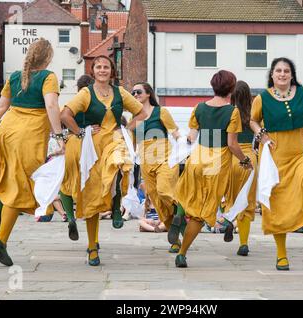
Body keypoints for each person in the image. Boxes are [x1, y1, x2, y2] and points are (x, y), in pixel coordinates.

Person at [0, 38, 65, 266]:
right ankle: (0, 238)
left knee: (11, 180)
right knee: (20, 187)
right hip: (28, 136)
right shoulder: (49, 77)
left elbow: (1, 106)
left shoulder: (15, 77)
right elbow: (51, 106)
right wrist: (59, 137)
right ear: (48, 57)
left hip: (7, 131)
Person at [60, 55, 146, 266]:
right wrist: (80, 131)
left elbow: (141, 112)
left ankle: (117, 206)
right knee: (91, 195)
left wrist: (127, 128)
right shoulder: (85, 93)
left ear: (112, 71)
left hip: (115, 140)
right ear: (93, 71)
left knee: (121, 163)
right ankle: (92, 247)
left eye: (106, 66)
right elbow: (65, 114)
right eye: (98, 67)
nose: (102, 70)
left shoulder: (120, 92)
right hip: (92, 145)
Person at [250, 57, 303, 271]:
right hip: (276, 156)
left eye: (286, 71)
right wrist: (261, 135)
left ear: (291, 74)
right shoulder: (262, 98)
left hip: (301, 152)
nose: (282, 74)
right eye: (278, 71)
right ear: (272, 75)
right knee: (278, 206)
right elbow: (252, 120)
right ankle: (281, 255)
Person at [171, 70, 253, 268]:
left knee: (187, 195)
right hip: (216, 165)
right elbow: (232, 144)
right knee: (202, 214)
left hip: (197, 160)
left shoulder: (199, 107)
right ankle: (182, 253)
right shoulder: (232, 112)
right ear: (231, 89)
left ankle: (180, 214)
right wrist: (244, 160)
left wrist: (181, 141)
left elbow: (191, 135)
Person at [132, 82, 181, 253]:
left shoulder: (161, 112)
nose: (135, 94)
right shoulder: (135, 118)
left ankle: (181, 213)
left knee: (164, 190)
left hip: (165, 158)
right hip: (146, 162)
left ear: (148, 94)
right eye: (133, 92)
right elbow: (133, 143)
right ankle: (175, 241)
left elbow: (175, 133)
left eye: (138, 91)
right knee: (158, 202)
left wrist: (184, 149)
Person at [222, 80, 257, 256]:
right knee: (247, 202)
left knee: (230, 197)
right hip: (249, 158)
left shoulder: (228, 112)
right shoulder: (253, 114)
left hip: (230, 158)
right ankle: (243, 243)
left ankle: (228, 218)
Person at [59, 74, 94, 241]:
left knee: (65, 184)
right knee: (90, 185)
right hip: (91, 147)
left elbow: (59, 121)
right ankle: (93, 237)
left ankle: (71, 218)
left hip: (73, 144)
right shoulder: (95, 103)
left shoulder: (71, 105)